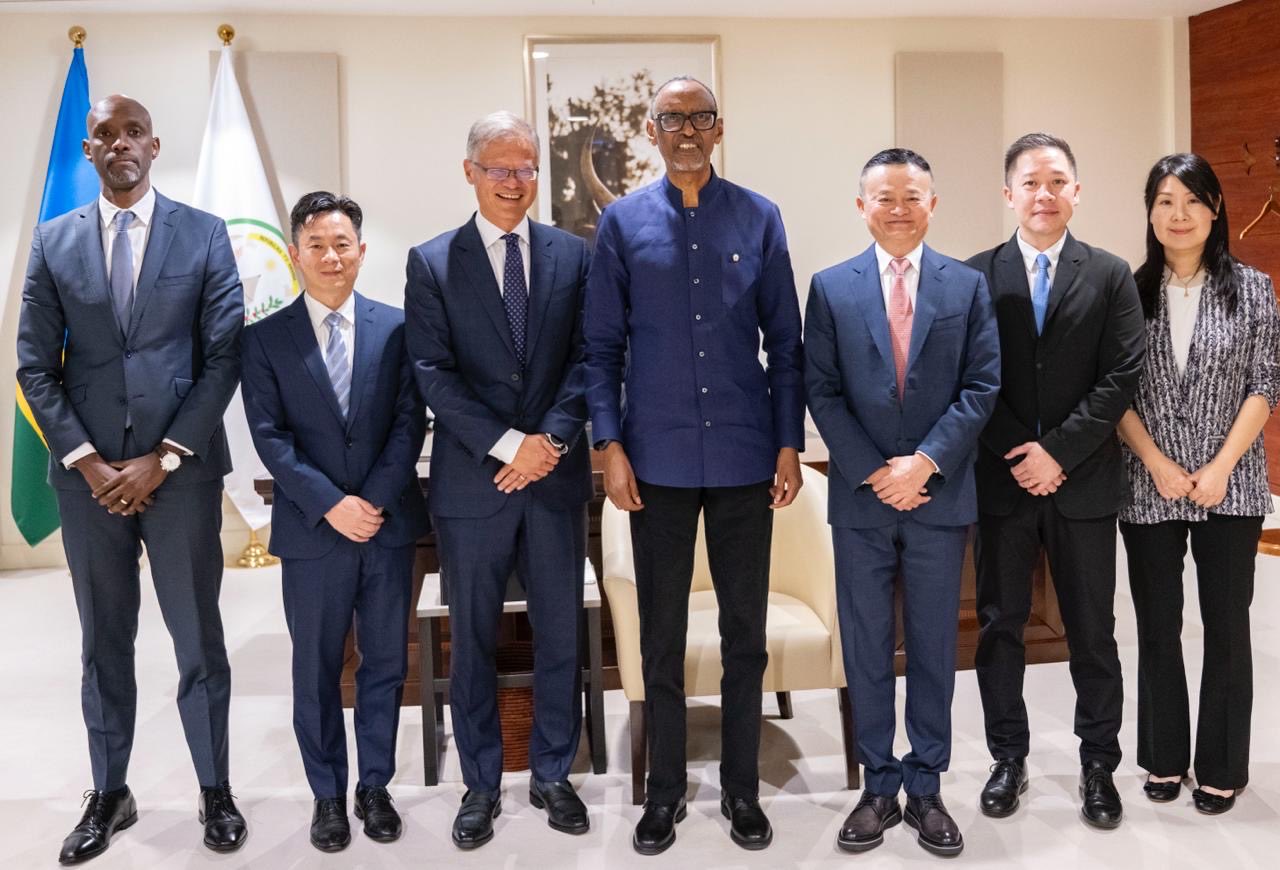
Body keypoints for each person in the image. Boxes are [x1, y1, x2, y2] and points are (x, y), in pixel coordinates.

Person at [16, 95, 246, 864]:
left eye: (133, 132)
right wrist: (87, 461)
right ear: (89, 151)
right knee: (103, 641)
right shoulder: (53, 240)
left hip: (180, 475)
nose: (121, 144)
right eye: (105, 135)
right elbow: (33, 365)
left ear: (154, 145)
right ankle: (110, 793)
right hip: (89, 483)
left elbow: (224, 357)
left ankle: (215, 789)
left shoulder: (204, 233)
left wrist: (165, 455)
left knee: (198, 639)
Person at [584, 76, 805, 856]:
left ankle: (742, 790)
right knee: (662, 635)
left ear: (718, 128)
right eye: (672, 119)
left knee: (746, 633)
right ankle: (664, 792)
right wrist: (609, 446)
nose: (686, 130)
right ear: (651, 131)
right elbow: (601, 349)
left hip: (746, 455)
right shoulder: (622, 224)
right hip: (657, 460)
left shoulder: (759, 216)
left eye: (699, 118)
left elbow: (786, 343)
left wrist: (788, 442)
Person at [405, 111, 594, 850]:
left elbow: (590, 358)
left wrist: (549, 441)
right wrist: (510, 444)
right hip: (472, 485)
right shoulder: (432, 262)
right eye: (500, 168)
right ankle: (480, 783)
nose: (515, 182)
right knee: (473, 639)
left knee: (560, 636)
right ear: (470, 173)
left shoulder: (573, 255)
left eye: (526, 168)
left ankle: (553, 773)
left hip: (553, 478)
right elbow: (432, 373)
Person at [805, 148, 999, 857]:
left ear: (932, 204)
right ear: (862, 206)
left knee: (933, 646)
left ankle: (926, 786)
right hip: (861, 500)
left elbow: (982, 385)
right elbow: (821, 388)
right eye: (884, 197)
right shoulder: (830, 287)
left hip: (938, 497)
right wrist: (873, 470)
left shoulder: (967, 286)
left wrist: (924, 463)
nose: (898, 209)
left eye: (911, 196)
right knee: (865, 647)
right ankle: (877, 787)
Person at [966, 132, 1145, 829]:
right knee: (1000, 627)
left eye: (1057, 182)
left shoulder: (1110, 275)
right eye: (1030, 183)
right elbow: (971, 379)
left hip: (1085, 485)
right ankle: (1007, 758)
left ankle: (1099, 765)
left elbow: (1120, 376)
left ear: (1077, 191)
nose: (1044, 194)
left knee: (1093, 632)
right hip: (1002, 483)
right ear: (1008, 193)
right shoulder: (975, 276)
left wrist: (1058, 454)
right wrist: (1023, 453)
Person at [240, 192, 428, 851]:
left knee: (385, 664)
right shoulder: (263, 338)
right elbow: (270, 436)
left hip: (386, 524)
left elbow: (409, 423)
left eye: (342, 244)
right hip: (313, 531)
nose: (331, 256)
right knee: (316, 669)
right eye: (317, 245)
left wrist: (369, 501)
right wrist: (331, 504)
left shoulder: (398, 329)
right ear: (296, 254)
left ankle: (374, 788)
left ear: (362, 251)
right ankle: (327, 796)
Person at [1116, 153, 1279, 815]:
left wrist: (1220, 467)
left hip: (1230, 484)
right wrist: (1155, 460)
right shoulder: (1126, 291)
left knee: (1226, 626)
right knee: (1156, 626)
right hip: (1147, 480)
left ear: (1215, 209)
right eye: (1164, 200)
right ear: (1150, 212)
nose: (1178, 214)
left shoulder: (1255, 289)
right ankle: (1162, 757)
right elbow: (1113, 392)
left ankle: (1221, 766)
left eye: (1191, 201)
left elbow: (1266, 384)